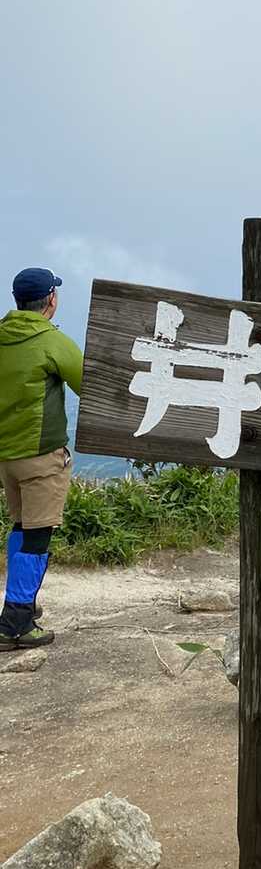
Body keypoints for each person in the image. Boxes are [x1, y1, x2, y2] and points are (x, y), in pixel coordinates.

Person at [0, 267, 83, 650]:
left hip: (6, 458)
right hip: (41, 457)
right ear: (51, 299)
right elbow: (88, 383)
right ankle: (15, 622)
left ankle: (22, 605)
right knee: (38, 536)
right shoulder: (52, 341)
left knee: (21, 527)